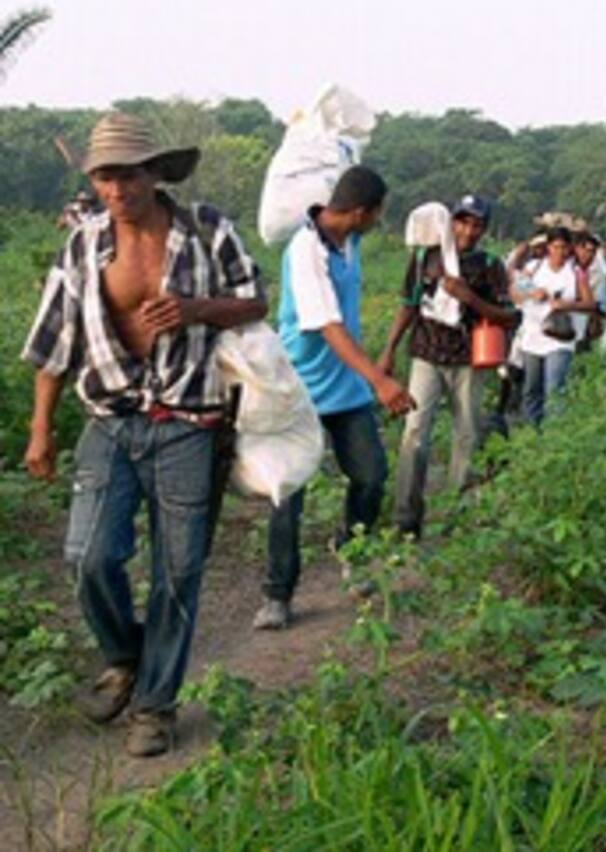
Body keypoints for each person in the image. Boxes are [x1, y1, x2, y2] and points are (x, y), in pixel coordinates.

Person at [22, 112, 267, 756]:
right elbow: (54, 342)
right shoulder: (83, 244)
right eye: (104, 178)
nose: (116, 191)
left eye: (127, 176)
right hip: (109, 419)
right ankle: (126, 658)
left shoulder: (207, 230)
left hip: (190, 423)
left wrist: (194, 310)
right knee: (88, 557)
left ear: (155, 173)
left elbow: (254, 299)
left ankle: (155, 706)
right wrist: (40, 428)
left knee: (178, 572)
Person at [253, 166, 413, 631]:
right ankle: (277, 595)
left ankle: (351, 549)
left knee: (370, 475)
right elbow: (328, 326)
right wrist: (381, 381)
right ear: (362, 212)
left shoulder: (350, 240)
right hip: (299, 390)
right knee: (287, 494)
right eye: (378, 213)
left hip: (345, 390)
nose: (378, 222)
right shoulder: (305, 251)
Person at [379, 194, 516, 539]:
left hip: (469, 359)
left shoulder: (489, 265)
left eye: (476, 225)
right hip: (427, 353)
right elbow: (408, 305)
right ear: (451, 222)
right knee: (414, 434)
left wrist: (470, 298)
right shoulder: (427, 257)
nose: (468, 231)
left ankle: (457, 518)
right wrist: (389, 349)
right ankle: (405, 519)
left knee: (466, 435)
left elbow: (509, 315)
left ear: (484, 229)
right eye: (463, 222)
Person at [513, 226, 595, 425]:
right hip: (532, 336)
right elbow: (516, 292)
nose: (560, 252)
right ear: (548, 247)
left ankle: (554, 436)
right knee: (531, 389)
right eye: (556, 247)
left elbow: (590, 304)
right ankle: (532, 433)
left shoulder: (576, 273)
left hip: (560, 339)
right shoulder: (533, 268)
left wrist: (567, 305)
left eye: (564, 248)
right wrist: (532, 293)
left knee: (554, 389)